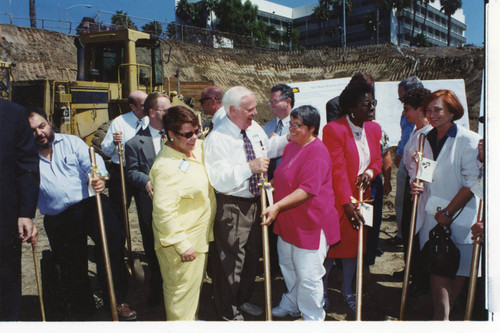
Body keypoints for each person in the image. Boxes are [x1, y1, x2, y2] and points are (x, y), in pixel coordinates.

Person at [28, 108, 136, 320]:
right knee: (72, 265)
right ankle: (83, 311)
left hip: (91, 205)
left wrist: (98, 178)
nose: (39, 133)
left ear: (49, 123)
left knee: (112, 246)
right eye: (32, 130)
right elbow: (25, 191)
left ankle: (117, 300)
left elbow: (93, 165)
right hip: (58, 217)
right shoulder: (25, 156)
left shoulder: (71, 142)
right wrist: (28, 219)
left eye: (41, 126)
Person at [204, 86, 289, 320]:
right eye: (249, 109)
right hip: (232, 204)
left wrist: (288, 139)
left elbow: (266, 149)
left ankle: (241, 300)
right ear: (232, 110)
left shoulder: (253, 129)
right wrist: (248, 168)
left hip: (256, 201)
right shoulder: (217, 138)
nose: (255, 112)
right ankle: (227, 310)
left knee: (252, 256)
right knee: (230, 261)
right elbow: (218, 179)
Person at [261, 105, 340, 321]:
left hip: (311, 223)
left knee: (309, 275)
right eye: (291, 124)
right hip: (289, 220)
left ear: (312, 128)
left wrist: (276, 206)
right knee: (287, 265)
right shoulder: (292, 146)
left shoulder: (318, 152)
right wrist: (268, 187)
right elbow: (282, 176)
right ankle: (293, 302)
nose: (292, 129)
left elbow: (306, 190)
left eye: (298, 125)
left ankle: (313, 317)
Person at [410, 90, 481, 320]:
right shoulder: (424, 138)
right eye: (428, 110)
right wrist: (416, 184)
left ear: (452, 111)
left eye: (437, 109)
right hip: (433, 220)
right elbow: (424, 174)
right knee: (439, 288)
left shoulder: (468, 140)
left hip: (461, 221)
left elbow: (473, 184)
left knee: (453, 289)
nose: (432, 115)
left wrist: (449, 212)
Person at [150, 105, 216, 320]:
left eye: (196, 132)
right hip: (181, 245)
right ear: (170, 134)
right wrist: (181, 244)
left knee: (191, 292)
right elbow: (163, 212)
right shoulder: (166, 167)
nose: (194, 138)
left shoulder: (195, 149)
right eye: (187, 134)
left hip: (198, 238)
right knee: (180, 296)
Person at [322, 82, 382, 312]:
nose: (372, 107)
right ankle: (323, 290)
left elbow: (376, 160)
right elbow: (336, 171)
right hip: (339, 201)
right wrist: (346, 204)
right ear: (351, 108)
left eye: (373, 102)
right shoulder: (334, 130)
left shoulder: (374, 129)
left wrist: (369, 172)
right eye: (366, 104)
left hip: (363, 200)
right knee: (330, 250)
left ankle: (347, 289)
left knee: (353, 249)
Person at [124, 92, 171, 306]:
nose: (170, 113)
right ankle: (157, 292)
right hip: (151, 207)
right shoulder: (134, 143)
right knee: (153, 250)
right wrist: (145, 180)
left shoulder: (177, 136)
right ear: (152, 113)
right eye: (165, 110)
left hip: (177, 205)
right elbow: (131, 171)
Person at [0, 100, 40, 321]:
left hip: (3, 218)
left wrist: (26, 212)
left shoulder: (13, 114)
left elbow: (26, 166)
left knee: (5, 283)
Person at [398, 87, 432, 293]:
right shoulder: (416, 131)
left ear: (420, 110)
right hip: (413, 189)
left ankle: (421, 282)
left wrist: (421, 181)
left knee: (418, 233)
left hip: (422, 193)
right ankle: (414, 273)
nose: (404, 113)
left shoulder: (428, 135)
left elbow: (428, 164)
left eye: (407, 109)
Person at [101, 90, 149, 222]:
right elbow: (106, 150)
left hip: (144, 173)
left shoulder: (152, 121)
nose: (148, 107)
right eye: (144, 104)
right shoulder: (119, 122)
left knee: (147, 214)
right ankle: (118, 242)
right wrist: (114, 143)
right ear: (133, 106)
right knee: (118, 214)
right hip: (121, 172)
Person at [393, 76, 424, 245]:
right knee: (402, 201)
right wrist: (400, 154)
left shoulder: (427, 130)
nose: (402, 106)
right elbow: (404, 137)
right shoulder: (406, 115)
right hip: (406, 162)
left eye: (403, 97)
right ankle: (402, 234)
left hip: (416, 171)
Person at [263, 83, 294, 179]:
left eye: (275, 102)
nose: (271, 106)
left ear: (288, 101)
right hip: (269, 183)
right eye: (270, 102)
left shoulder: (299, 127)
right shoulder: (266, 127)